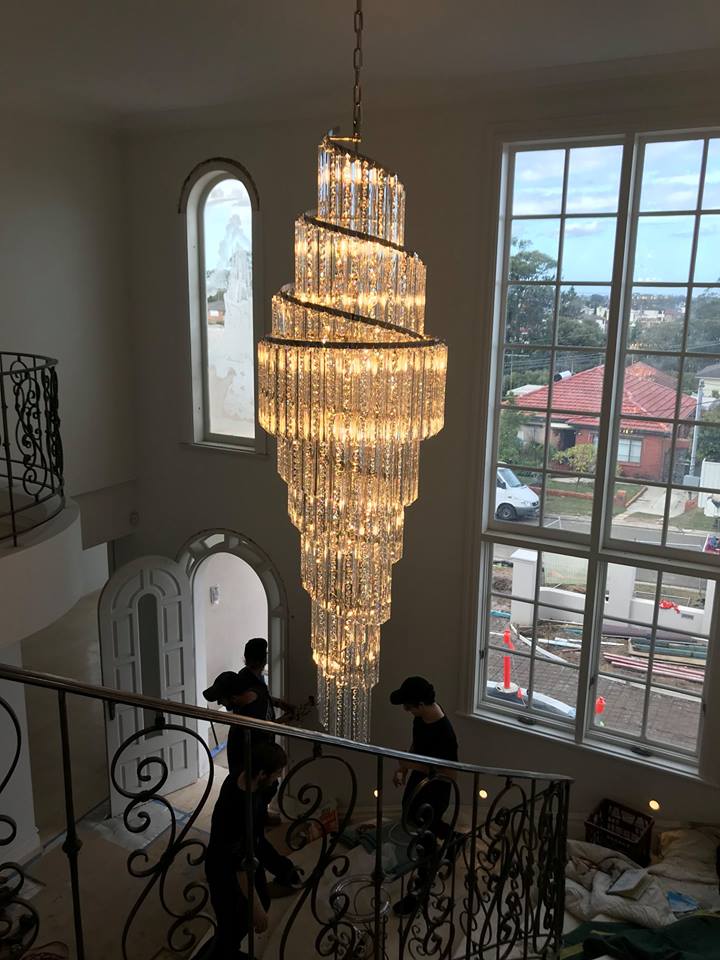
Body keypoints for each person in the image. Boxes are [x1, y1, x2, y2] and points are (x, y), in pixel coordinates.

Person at [204, 741, 296, 959]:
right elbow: (239, 868)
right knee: (233, 924)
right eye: (276, 773)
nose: (278, 778)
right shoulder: (237, 809)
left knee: (262, 898)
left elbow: (257, 839)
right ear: (262, 774)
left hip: (248, 851)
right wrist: (258, 912)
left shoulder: (248, 777)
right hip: (224, 868)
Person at [389, 675, 459, 916]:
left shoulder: (445, 734)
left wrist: (411, 765)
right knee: (410, 814)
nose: (406, 710)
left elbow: (450, 773)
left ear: (420, 704)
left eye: (409, 706)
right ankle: (454, 839)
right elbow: (417, 745)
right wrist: (403, 769)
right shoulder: (421, 718)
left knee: (424, 833)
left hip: (436, 789)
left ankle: (421, 889)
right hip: (420, 780)